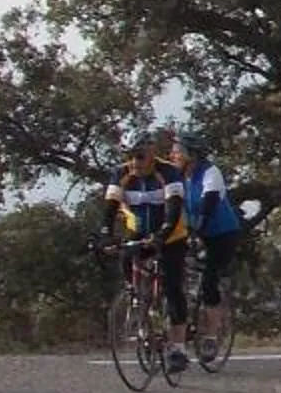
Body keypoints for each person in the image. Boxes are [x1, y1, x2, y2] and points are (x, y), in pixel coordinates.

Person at [103, 133, 191, 372]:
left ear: (152, 154)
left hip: (171, 235)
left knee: (173, 288)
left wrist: (162, 235)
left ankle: (178, 348)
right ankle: (139, 308)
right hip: (139, 233)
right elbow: (110, 208)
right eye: (130, 157)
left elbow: (174, 209)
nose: (135, 162)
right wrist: (105, 234)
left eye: (140, 156)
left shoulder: (169, 172)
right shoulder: (120, 174)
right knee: (127, 262)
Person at [177, 132, 245, 355]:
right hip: (194, 232)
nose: (173, 154)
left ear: (190, 155)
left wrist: (197, 227)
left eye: (178, 151)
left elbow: (210, 201)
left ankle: (211, 337)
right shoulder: (177, 177)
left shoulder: (210, 172)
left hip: (222, 234)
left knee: (208, 282)